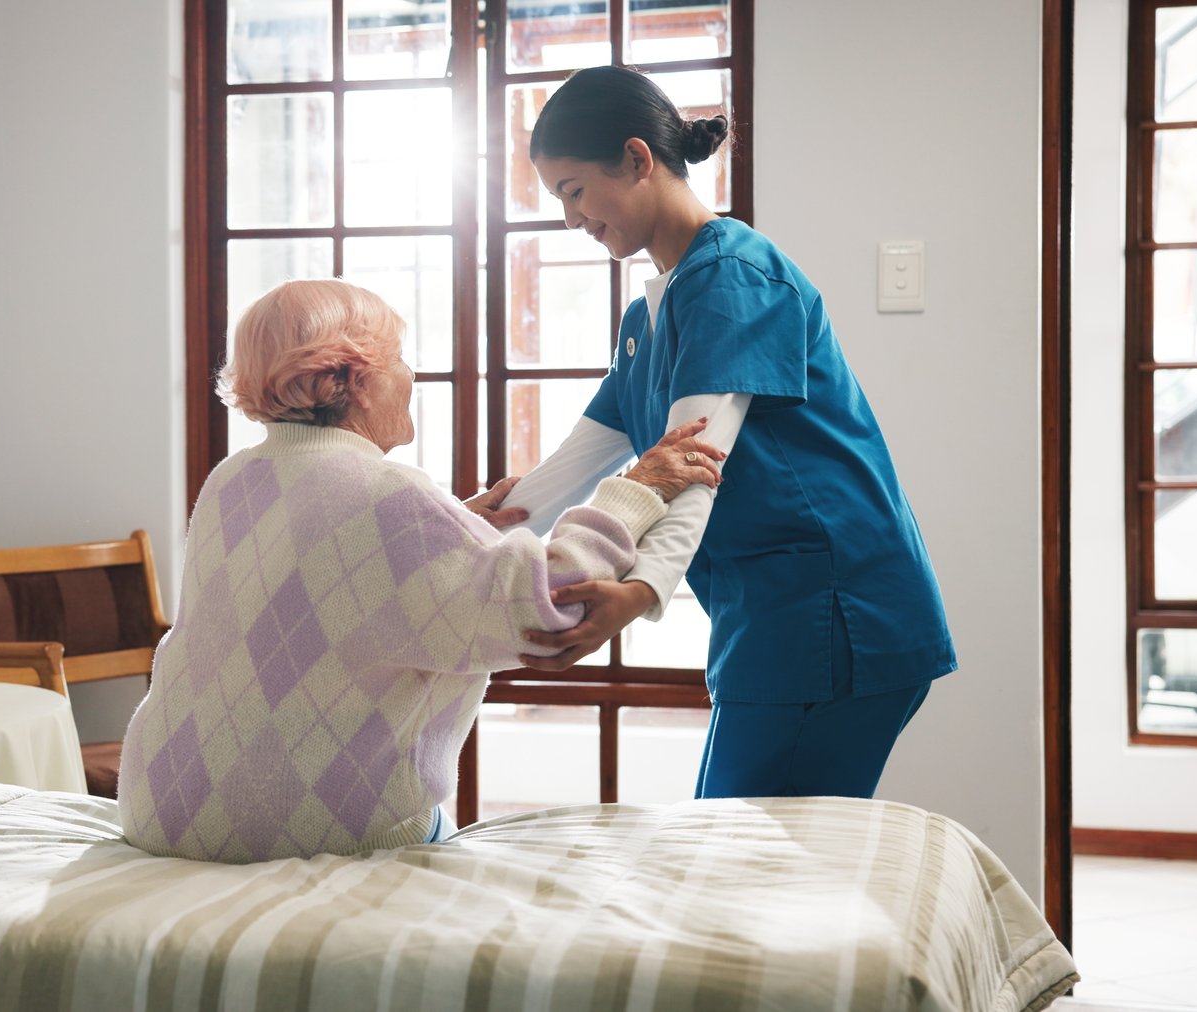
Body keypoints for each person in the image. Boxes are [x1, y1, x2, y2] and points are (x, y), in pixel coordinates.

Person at [117, 279, 723, 862]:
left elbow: (319, 577)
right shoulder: (387, 493)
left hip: (162, 811)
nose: (412, 377)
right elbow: (548, 604)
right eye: (400, 359)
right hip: (304, 829)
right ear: (353, 378)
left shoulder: (230, 480)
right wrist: (635, 489)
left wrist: (460, 527)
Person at [498, 66, 956, 801]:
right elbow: (573, 465)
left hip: (835, 614)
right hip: (771, 618)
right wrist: (475, 528)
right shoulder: (647, 319)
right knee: (742, 859)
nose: (571, 220)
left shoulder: (734, 278)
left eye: (575, 191)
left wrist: (641, 588)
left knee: (748, 865)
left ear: (638, 158)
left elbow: (690, 462)